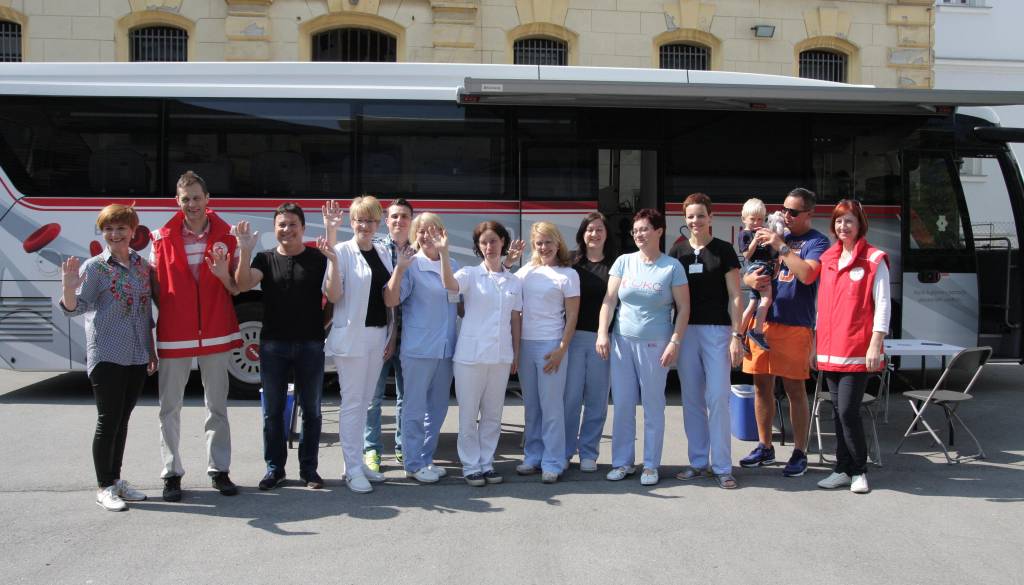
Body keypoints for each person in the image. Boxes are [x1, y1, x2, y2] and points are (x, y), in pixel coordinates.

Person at [230, 202, 342, 491]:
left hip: (310, 344)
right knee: (273, 411)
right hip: (273, 345)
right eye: (281, 224)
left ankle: (309, 470)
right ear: (274, 228)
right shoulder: (265, 259)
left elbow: (333, 295)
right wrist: (244, 250)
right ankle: (274, 469)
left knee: (312, 410)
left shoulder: (317, 258)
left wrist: (323, 324)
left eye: (293, 224)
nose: (287, 229)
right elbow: (243, 285)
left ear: (302, 228)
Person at [151, 170, 241, 502]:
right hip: (175, 332)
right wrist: (176, 312)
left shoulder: (227, 236)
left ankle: (219, 470)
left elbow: (236, 283)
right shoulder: (160, 238)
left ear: (207, 199)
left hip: (215, 330)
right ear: (177, 201)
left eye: (197, 198)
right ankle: (171, 473)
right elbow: (155, 286)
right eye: (186, 199)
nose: (192, 204)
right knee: (169, 407)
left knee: (216, 405)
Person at [60, 204, 157, 511]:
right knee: (108, 420)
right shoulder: (94, 268)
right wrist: (68, 288)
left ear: (133, 231)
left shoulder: (142, 266)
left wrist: (151, 350)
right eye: (108, 229)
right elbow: (74, 308)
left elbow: (145, 312)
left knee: (122, 420)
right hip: (107, 355)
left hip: (137, 354)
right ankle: (104, 487)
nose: (115, 235)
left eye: (121, 228)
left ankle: (115, 480)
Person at [740, 187, 830, 477]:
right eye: (784, 209)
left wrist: (781, 245)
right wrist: (749, 279)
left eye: (793, 211)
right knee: (761, 387)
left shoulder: (817, 241)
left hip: (794, 324)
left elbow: (807, 274)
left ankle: (800, 451)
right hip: (764, 321)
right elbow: (747, 266)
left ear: (809, 213)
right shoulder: (774, 233)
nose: (786, 215)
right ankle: (765, 446)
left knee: (794, 390)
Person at [597, 208, 689, 487]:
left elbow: (684, 308)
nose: (639, 234)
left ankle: (650, 465)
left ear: (659, 231)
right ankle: (622, 462)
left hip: (656, 344)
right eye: (635, 230)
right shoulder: (623, 262)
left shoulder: (672, 267)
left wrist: (675, 341)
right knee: (623, 404)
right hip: (621, 342)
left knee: (653, 405)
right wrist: (602, 333)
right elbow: (609, 301)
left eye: (644, 229)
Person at [668, 193, 745, 489]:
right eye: (690, 216)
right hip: (686, 332)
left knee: (718, 397)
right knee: (692, 399)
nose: (695, 221)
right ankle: (698, 462)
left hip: (718, 332)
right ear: (684, 219)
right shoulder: (678, 252)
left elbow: (736, 295)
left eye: (701, 215)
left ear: (711, 217)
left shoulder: (724, 250)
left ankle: (723, 466)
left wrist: (737, 335)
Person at [814, 199, 889, 494]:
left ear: (860, 225)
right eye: (838, 220)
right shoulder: (828, 258)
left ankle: (859, 470)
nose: (843, 226)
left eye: (849, 221)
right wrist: (815, 343)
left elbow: (882, 304)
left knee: (847, 411)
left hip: (858, 348)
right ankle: (842, 469)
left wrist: (875, 344)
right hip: (831, 347)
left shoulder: (873, 259)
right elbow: (821, 305)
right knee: (837, 412)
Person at [383, 212, 459, 484]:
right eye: (422, 231)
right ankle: (413, 463)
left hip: (445, 349)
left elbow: (458, 298)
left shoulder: (453, 263)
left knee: (437, 409)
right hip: (419, 348)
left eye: (433, 230)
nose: (427, 236)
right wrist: (400, 269)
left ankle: (426, 459)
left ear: (443, 232)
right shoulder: (411, 264)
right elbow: (391, 299)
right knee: (414, 409)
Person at [326, 195, 394, 494]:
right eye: (359, 220)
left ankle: (357, 463)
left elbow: (388, 297)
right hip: (352, 337)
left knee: (365, 403)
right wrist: (331, 260)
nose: (365, 225)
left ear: (378, 223)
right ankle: (352, 469)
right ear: (351, 222)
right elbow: (333, 295)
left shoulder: (382, 251)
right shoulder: (341, 251)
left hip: (377, 335)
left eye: (370, 220)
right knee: (353, 404)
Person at [452, 221, 525, 487]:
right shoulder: (469, 274)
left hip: (501, 356)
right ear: (478, 247)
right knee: (468, 414)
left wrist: (516, 353)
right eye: (483, 242)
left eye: (493, 240)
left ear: (503, 242)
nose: (489, 246)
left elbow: (515, 319)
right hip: (470, 357)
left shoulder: (514, 280)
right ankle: (471, 465)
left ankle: (487, 462)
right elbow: (449, 285)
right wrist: (443, 251)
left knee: (493, 415)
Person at [514, 222, 580, 484]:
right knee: (532, 406)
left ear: (558, 242)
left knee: (551, 407)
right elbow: (505, 287)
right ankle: (533, 456)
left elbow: (572, 316)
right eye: (539, 243)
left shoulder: (568, 275)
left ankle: (553, 461)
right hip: (526, 345)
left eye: (548, 242)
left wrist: (562, 348)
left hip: (551, 345)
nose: (544, 247)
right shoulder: (525, 272)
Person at [564, 212, 615, 473]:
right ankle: (563, 452)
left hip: (602, 339)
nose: (594, 234)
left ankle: (589, 452)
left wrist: (604, 333)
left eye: (599, 229)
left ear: (606, 234)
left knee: (597, 399)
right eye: (589, 229)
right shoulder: (570, 261)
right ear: (582, 233)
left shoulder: (616, 264)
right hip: (572, 338)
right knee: (570, 399)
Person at [365, 198, 413, 472]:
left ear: (411, 221)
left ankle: (403, 447)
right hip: (380, 332)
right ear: (386, 220)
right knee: (373, 396)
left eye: (404, 216)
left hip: (412, 335)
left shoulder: (418, 251)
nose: (399, 221)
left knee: (406, 397)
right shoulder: (376, 249)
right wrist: (391, 334)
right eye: (394, 216)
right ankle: (371, 449)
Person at [737, 198, 778, 351]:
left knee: (753, 303)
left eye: (760, 219)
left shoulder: (764, 232)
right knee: (766, 299)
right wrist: (755, 239)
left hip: (765, 267)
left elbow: (772, 253)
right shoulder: (745, 234)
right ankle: (757, 331)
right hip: (757, 268)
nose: (756, 223)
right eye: (752, 219)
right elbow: (747, 254)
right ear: (744, 219)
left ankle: (739, 335)